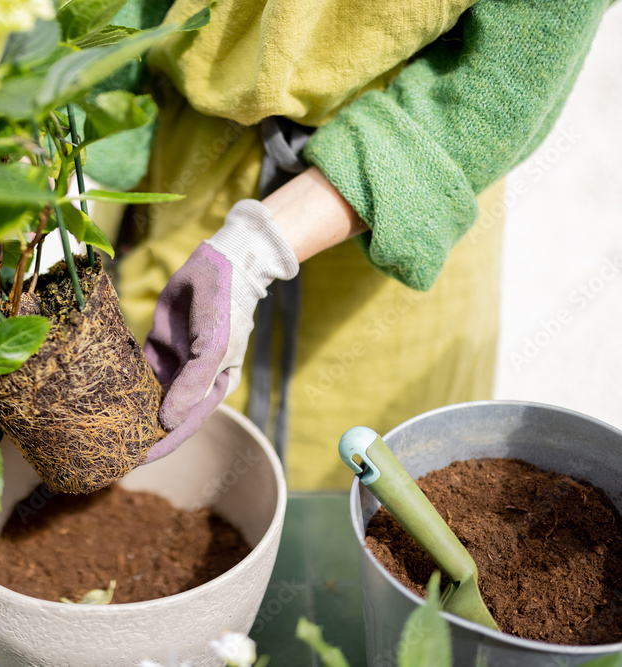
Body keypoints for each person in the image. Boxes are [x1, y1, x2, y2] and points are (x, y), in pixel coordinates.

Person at [83, 0, 614, 489]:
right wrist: (79, 177)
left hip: (402, 190)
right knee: (170, 454)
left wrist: (255, 251)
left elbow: (513, 65)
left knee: (372, 498)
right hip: (193, 170)